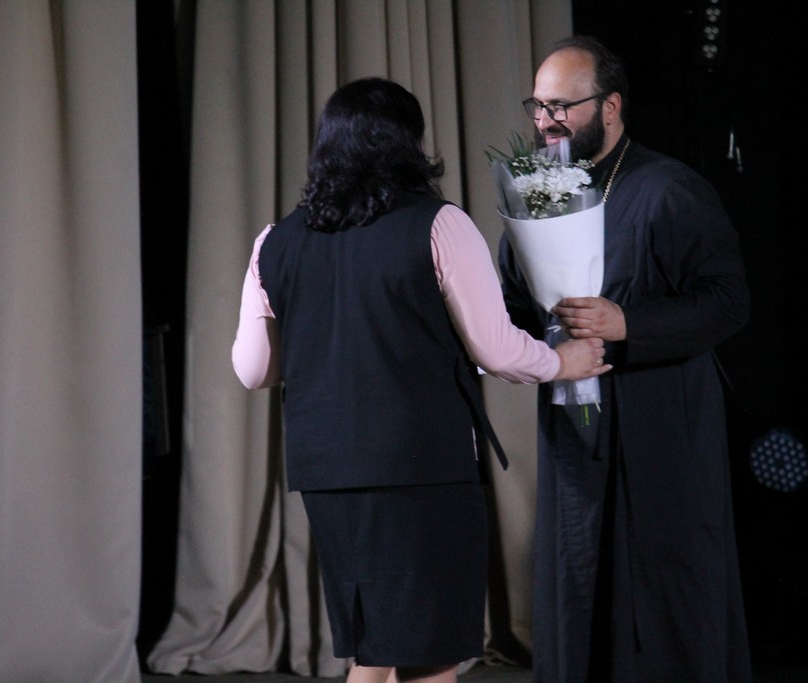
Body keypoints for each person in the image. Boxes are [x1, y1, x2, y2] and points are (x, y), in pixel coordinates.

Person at [232, 77, 609, 683]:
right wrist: (565, 361)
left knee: (377, 648)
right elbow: (495, 348)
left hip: (326, 474)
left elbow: (253, 371)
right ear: (409, 142)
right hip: (419, 468)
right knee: (428, 654)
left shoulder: (274, 241)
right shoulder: (439, 224)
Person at [498, 37, 752, 681]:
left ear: (610, 107)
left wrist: (627, 323)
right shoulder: (539, 195)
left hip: (660, 431)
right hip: (574, 436)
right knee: (578, 586)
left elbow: (728, 302)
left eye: (562, 106)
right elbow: (514, 304)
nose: (546, 120)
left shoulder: (670, 189)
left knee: (661, 602)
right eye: (538, 106)